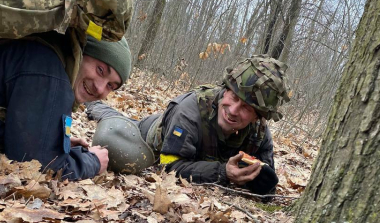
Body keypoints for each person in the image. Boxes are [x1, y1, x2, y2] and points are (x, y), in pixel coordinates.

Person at [87, 55, 290, 195]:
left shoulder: (259, 133)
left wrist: (261, 183)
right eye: (233, 96)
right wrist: (223, 173)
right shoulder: (190, 110)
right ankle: (93, 103)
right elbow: (168, 166)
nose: (233, 110)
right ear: (225, 88)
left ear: (258, 117)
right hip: (147, 134)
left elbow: (266, 180)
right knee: (113, 120)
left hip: (194, 151)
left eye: (246, 108)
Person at [0, 34, 131, 181]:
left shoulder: (45, 57)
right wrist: (92, 162)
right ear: (82, 53)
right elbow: (38, 169)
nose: (100, 88)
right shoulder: (49, 72)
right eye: (100, 70)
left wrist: (56, 141)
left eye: (111, 86)